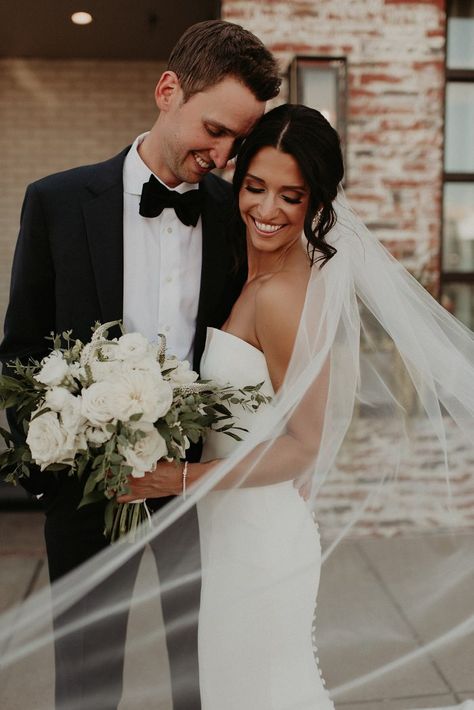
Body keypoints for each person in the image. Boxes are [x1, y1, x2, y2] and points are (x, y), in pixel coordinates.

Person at [119, 105, 474, 709]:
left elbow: (303, 444)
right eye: (255, 187)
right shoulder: (250, 276)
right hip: (233, 528)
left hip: (258, 540)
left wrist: (180, 478)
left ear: (318, 204)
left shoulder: (283, 297)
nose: (266, 210)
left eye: (292, 196)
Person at [0, 20, 280, 710]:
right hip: (87, 498)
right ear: (167, 91)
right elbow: (20, 348)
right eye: (215, 130)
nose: (222, 154)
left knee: (203, 674)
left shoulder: (231, 216)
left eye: (238, 142)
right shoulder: (57, 202)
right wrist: (50, 476)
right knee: (88, 682)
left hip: (195, 493)